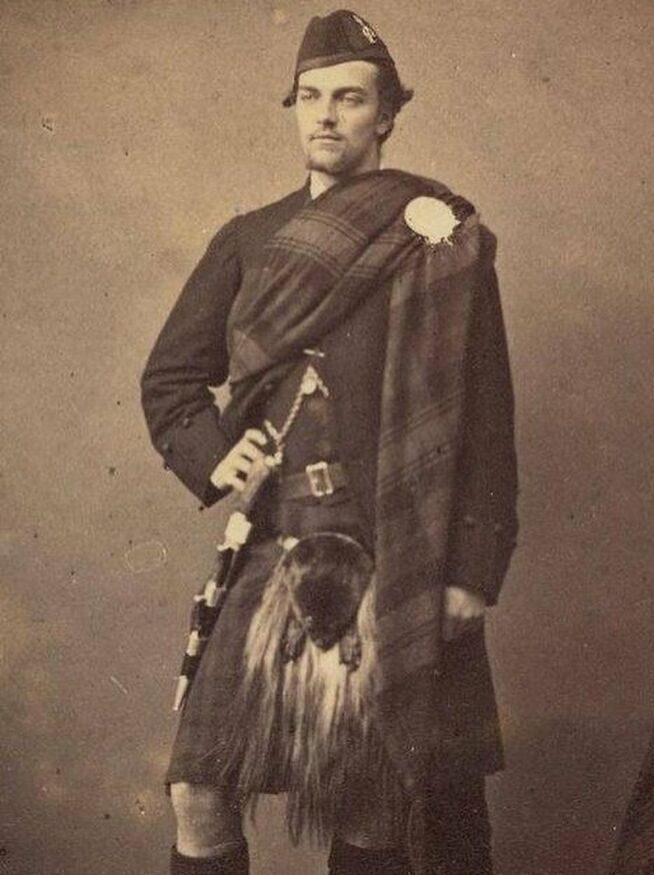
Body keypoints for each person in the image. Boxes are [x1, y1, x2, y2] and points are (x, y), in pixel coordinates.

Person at [141, 10, 518, 875]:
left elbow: (489, 423)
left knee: (374, 800)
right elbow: (169, 381)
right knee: (198, 787)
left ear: (386, 115)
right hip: (273, 550)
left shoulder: (444, 240)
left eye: (350, 99)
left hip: (397, 552)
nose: (326, 115)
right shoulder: (247, 239)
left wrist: (470, 568)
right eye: (310, 97)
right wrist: (211, 455)